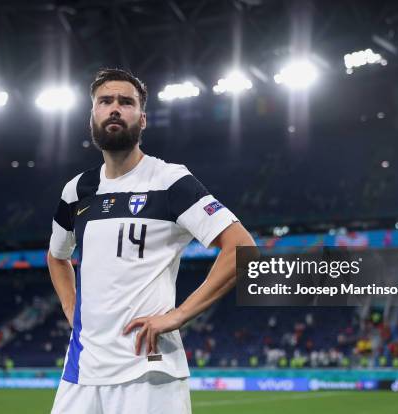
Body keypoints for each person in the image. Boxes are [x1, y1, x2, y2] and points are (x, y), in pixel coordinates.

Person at [48, 68, 255, 413]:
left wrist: (179, 314)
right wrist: (72, 309)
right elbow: (57, 256)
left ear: (142, 119)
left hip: (148, 372)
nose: (115, 108)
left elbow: (242, 248)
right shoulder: (77, 190)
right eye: (105, 101)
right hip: (81, 371)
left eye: (126, 102)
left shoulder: (170, 181)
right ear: (92, 116)